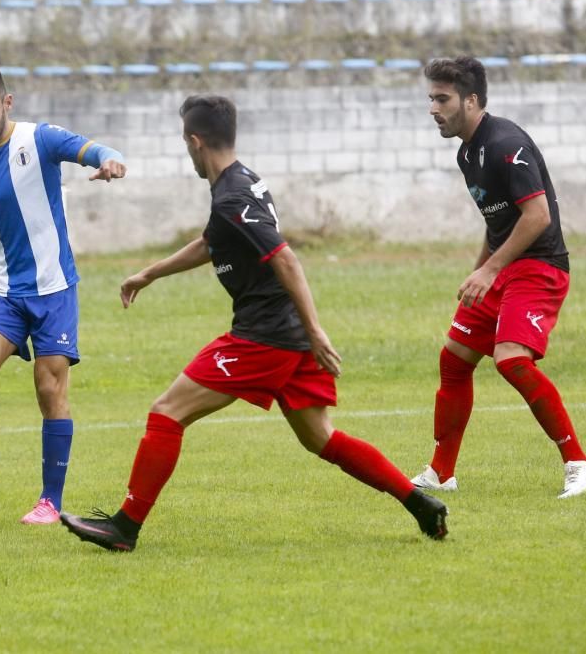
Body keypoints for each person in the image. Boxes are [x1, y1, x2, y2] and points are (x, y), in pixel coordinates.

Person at [59, 95, 448, 552]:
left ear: (195, 140)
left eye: (186, 143)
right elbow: (212, 243)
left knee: (166, 413)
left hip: (265, 336)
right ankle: (420, 502)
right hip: (288, 335)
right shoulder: (242, 181)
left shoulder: (233, 194)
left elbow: (284, 257)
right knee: (320, 438)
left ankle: (125, 526)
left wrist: (316, 329)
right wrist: (150, 273)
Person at [0, 61, 127, 524]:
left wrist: (108, 159)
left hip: (54, 289)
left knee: (49, 389)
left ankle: (50, 501)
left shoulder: (39, 139)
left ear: (7, 103)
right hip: (2, 290)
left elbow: (90, 147)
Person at [412, 56, 586, 498]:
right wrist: (481, 270)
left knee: (512, 360)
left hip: (540, 267)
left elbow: (536, 216)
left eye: (442, 99)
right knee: (455, 357)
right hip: (504, 268)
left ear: (472, 100)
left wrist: (491, 268)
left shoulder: (505, 143)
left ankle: (580, 461)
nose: (433, 109)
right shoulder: (467, 152)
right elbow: (496, 222)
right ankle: (442, 472)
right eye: (431, 98)